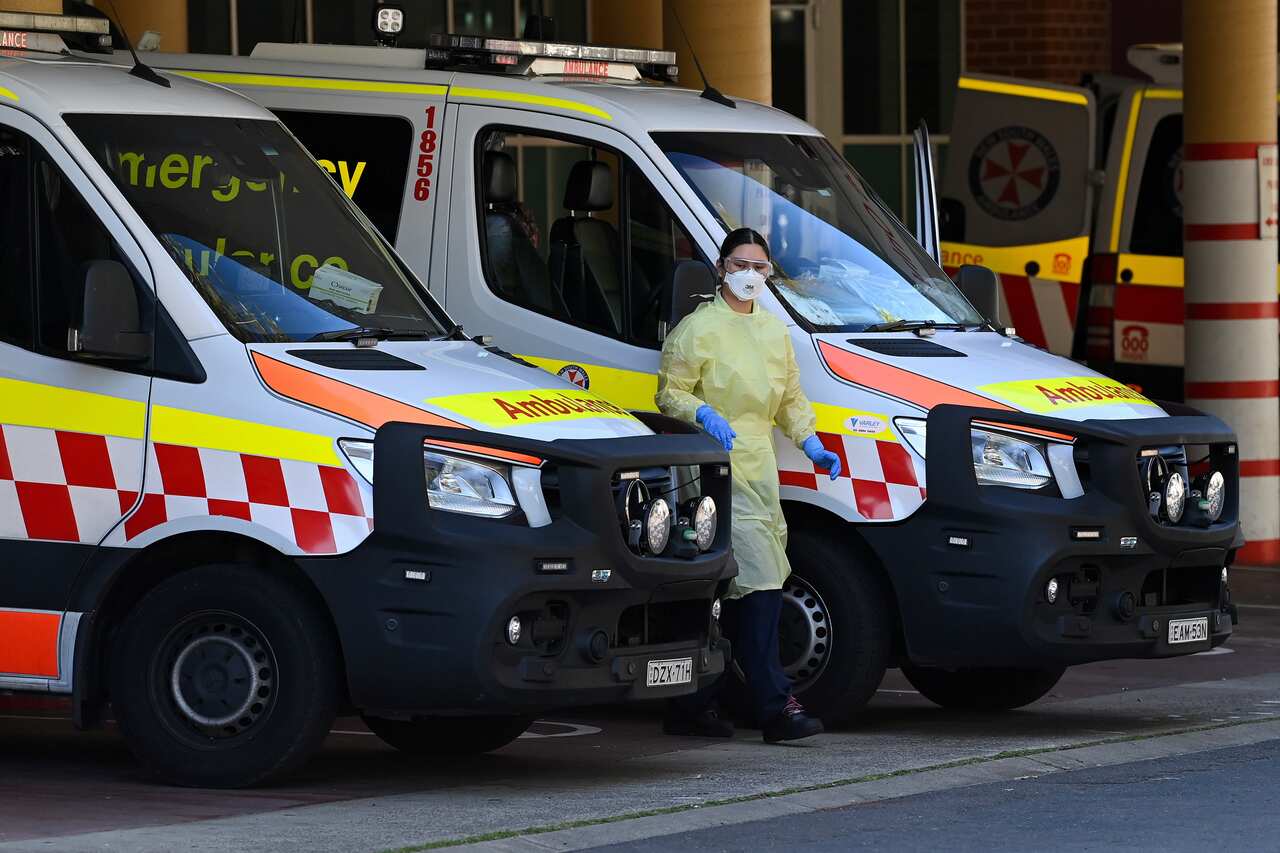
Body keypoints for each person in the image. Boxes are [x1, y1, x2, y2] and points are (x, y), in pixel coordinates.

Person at [657, 227, 841, 744]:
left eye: (761, 268)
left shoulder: (774, 332)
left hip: (759, 468)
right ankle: (774, 707)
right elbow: (670, 392)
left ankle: (692, 703)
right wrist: (702, 411)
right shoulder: (698, 330)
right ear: (721, 269)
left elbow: (791, 401)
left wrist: (811, 443)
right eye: (741, 265)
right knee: (752, 585)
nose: (751, 276)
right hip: (709, 472)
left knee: (739, 587)